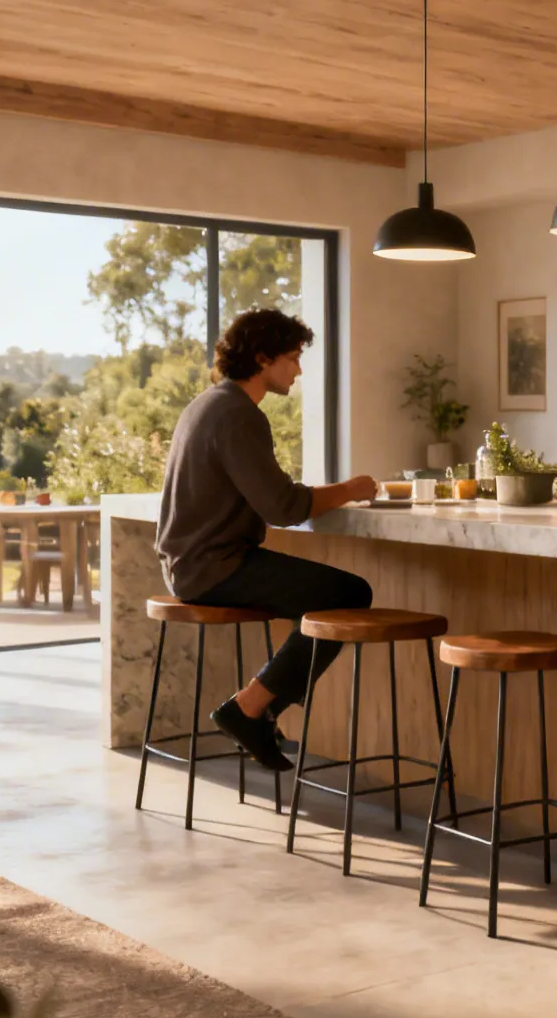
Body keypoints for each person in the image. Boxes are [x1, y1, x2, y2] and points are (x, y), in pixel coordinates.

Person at [155, 308, 379, 771]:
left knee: (333, 596)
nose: (298, 370)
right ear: (262, 359)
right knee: (349, 594)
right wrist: (351, 489)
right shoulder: (238, 415)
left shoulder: (209, 404)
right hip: (213, 567)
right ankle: (250, 708)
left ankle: (259, 712)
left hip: (191, 563)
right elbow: (283, 507)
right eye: (292, 358)